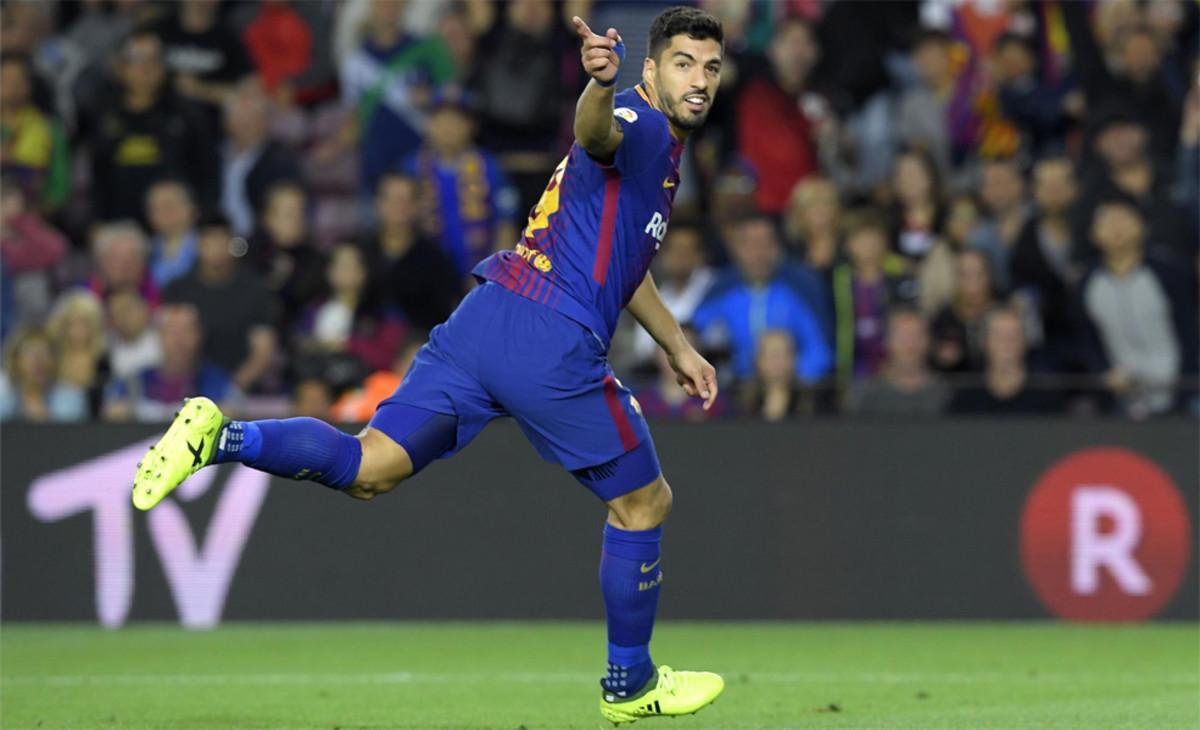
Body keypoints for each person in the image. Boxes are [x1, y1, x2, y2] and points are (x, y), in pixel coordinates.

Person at [131, 8, 727, 723]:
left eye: (711, 67)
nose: (699, 81)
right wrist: (598, 86)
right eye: (685, 64)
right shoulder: (643, 123)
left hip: (485, 317)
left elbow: (624, 262)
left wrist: (678, 346)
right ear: (652, 70)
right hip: (550, 336)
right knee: (644, 502)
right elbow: (595, 133)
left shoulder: (656, 149)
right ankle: (630, 685)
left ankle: (219, 438)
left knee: (369, 468)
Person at [1079, 197, 1197, 417]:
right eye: (1107, 222)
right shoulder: (1087, 283)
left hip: (1180, 390)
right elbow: (1087, 339)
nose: (1116, 228)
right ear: (1094, 233)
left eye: (1123, 219)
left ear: (1141, 227)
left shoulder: (1169, 272)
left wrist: (1185, 388)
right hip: (1123, 397)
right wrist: (1105, 373)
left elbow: (1188, 330)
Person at [88, 28, 218, 223]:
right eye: (138, 59)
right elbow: (96, 177)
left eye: (154, 59)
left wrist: (201, 216)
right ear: (121, 66)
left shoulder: (187, 114)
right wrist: (95, 221)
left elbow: (208, 172)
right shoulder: (102, 113)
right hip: (119, 231)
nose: (146, 68)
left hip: (175, 228)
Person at [692, 214, 832, 382]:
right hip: (733, 391)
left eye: (766, 244)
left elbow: (819, 351)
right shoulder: (720, 294)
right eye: (750, 245)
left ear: (777, 249)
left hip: (790, 390)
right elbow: (691, 339)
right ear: (736, 249)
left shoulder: (795, 294)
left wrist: (791, 377)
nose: (758, 253)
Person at [404, 88, 520, 277]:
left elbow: (506, 223)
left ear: (472, 126)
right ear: (429, 124)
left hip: (479, 278)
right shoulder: (411, 168)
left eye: (458, 119)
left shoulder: (490, 167)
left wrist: (493, 277)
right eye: (442, 118)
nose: (450, 126)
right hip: (424, 281)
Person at [163, 214, 277, 393]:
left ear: (231, 244)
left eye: (221, 241)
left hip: (237, 390)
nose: (216, 249)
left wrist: (231, 390)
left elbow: (263, 350)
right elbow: (167, 341)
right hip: (184, 389)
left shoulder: (254, 290)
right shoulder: (178, 290)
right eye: (209, 241)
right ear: (198, 244)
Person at [103, 302, 238, 422]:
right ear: (159, 336)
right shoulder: (135, 381)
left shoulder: (216, 380)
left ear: (199, 336)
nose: (179, 340)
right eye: (172, 332)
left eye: (187, 331)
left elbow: (232, 411)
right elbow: (111, 411)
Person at [363, 172, 462, 332]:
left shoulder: (435, 259)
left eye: (406, 200)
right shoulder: (360, 252)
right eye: (393, 200)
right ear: (378, 204)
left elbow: (448, 312)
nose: (399, 207)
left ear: (416, 206)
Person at [830, 209, 913, 382]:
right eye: (860, 240)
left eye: (873, 239)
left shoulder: (900, 275)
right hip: (855, 366)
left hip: (893, 365)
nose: (868, 246)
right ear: (848, 245)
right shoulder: (839, 280)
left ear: (885, 242)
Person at [220, 79, 301, 237]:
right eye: (238, 116)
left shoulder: (281, 159)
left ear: (265, 121)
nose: (245, 123)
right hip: (216, 239)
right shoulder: (213, 155)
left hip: (259, 243)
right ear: (225, 122)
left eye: (251, 117)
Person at [948, 308, 1065, 415]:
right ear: (985, 343)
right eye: (999, 336)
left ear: (1024, 342)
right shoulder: (967, 396)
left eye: (1013, 336)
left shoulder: (1046, 396)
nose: (1006, 343)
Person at [845, 308, 948, 416]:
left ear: (929, 341)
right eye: (903, 337)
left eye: (917, 336)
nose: (910, 344)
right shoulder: (865, 395)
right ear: (887, 342)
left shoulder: (946, 394)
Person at [930, 249, 999, 374]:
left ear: (989, 276)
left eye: (979, 274)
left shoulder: (1003, 316)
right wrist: (942, 359)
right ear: (955, 279)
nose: (973, 282)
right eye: (965, 275)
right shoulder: (943, 318)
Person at [46, 289, 111, 419]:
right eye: (70, 323)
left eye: (83, 323)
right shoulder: (52, 360)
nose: (77, 329)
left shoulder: (104, 361)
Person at [0, 327, 87, 422]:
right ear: (16, 361)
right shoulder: (3, 396)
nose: (38, 360)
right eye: (30, 352)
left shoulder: (70, 398)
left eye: (45, 353)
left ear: (53, 362)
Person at [737, 329, 813, 421]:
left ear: (794, 359)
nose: (778, 362)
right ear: (758, 361)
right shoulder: (740, 403)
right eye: (773, 355)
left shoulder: (812, 401)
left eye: (785, 354)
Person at [145, 179, 200, 290]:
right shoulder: (144, 251)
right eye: (157, 208)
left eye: (171, 204)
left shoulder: (206, 247)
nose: (165, 212)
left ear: (192, 209)